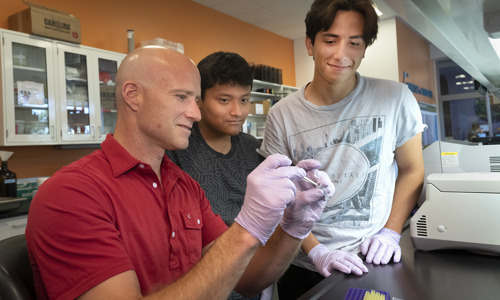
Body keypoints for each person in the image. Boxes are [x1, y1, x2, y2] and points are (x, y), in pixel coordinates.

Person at [25, 46, 335, 300]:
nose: (196, 113)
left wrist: (292, 227)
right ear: (133, 95)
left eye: (196, 99)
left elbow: (248, 280)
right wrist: (247, 228)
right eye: (181, 97)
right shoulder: (71, 194)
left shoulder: (184, 186)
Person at [258, 0, 426, 298]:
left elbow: (413, 170)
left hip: (376, 260)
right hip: (305, 265)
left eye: (354, 43)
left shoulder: (395, 97)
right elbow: (282, 197)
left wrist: (390, 232)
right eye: (330, 40)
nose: (341, 54)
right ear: (310, 44)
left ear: (364, 48)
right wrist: (317, 251)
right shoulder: (281, 114)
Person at [166, 51, 265, 300]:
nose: (237, 111)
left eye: (244, 100)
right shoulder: (177, 149)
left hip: (250, 273)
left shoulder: (253, 148)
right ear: (199, 100)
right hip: (199, 280)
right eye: (224, 100)